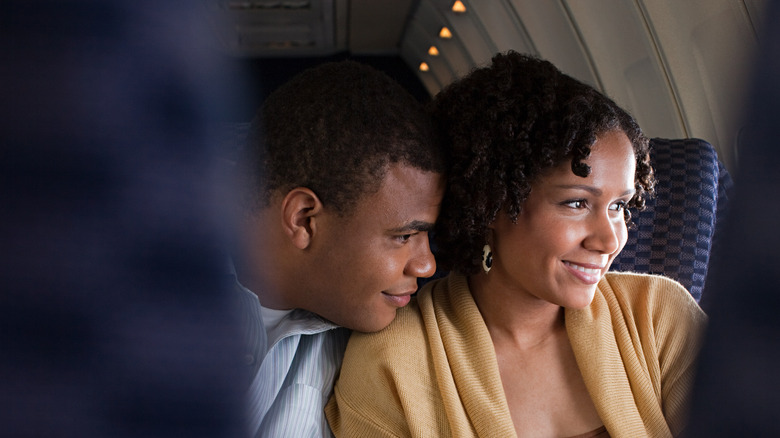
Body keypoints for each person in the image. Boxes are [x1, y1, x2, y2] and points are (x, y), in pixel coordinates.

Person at [326, 52, 707, 437]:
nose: (610, 239)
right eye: (576, 203)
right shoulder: (391, 362)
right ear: (493, 202)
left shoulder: (660, 318)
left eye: (618, 206)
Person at [232, 60, 446, 437]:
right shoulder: (129, 307)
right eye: (403, 236)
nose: (427, 265)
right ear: (304, 220)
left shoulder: (378, 349)